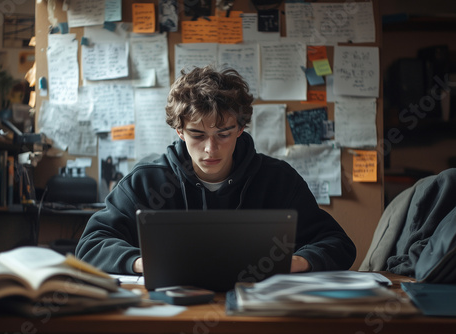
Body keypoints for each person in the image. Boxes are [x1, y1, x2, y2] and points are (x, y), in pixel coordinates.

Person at [75, 65, 356, 275]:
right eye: (197, 135)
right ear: (180, 131)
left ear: (240, 128)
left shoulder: (278, 180)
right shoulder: (146, 182)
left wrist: (293, 262)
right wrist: (142, 262)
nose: (211, 149)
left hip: (259, 314)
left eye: (223, 134)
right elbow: (91, 244)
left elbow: (338, 244)